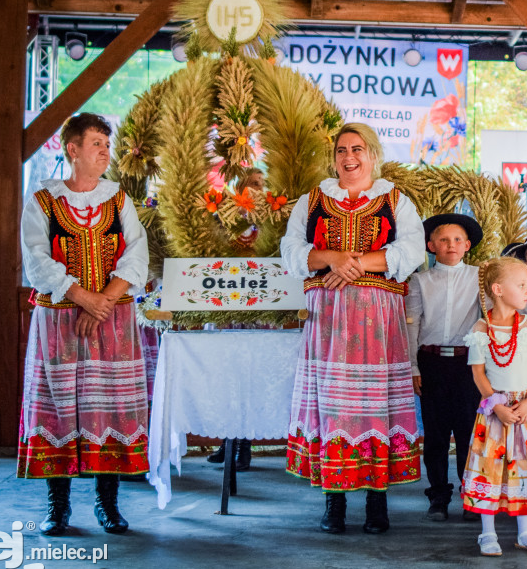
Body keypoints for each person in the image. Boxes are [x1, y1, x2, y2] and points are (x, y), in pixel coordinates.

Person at [281, 123, 426, 534]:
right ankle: (335, 501)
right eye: (343, 150)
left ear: (373, 154)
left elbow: (412, 250)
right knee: (335, 407)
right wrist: (331, 256)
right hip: (329, 319)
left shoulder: (396, 200)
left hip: (379, 321)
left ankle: (377, 503)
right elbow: (291, 251)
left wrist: (357, 264)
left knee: (375, 406)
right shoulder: (312, 201)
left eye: (358, 149)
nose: (350, 157)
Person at [18, 113, 149, 536]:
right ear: (71, 149)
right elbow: (37, 261)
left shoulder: (119, 200)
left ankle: (106, 503)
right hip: (60, 323)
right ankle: (57, 507)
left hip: (111, 321)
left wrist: (103, 302)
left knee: (106, 407)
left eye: (107, 146)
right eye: (96, 144)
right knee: (59, 410)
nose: (105, 152)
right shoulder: (42, 202)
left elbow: (136, 255)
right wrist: (84, 299)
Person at [461, 256, 527, 556]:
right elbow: (477, 372)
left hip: (525, 411)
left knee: (525, 467)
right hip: (495, 412)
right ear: (498, 289)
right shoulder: (481, 328)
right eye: (522, 285)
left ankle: (525, 532)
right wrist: (495, 405)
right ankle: (487, 534)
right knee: (491, 468)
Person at [405, 213, 484, 521]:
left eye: (456, 240)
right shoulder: (419, 281)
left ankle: (472, 493)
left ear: (466, 245)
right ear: (430, 245)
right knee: (436, 434)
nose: (450, 245)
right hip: (432, 362)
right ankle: (438, 495)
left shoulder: (480, 278)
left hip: (468, 365)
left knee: (468, 431)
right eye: (443, 240)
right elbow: (413, 325)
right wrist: (414, 367)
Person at [206, 166, 267, 471]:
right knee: (225, 377)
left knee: (250, 377)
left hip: (256, 306)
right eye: (253, 183)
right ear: (240, 187)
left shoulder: (269, 222)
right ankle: (226, 442)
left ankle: (244, 445)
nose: (258, 188)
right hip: (225, 305)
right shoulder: (222, 218)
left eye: (262, 184)